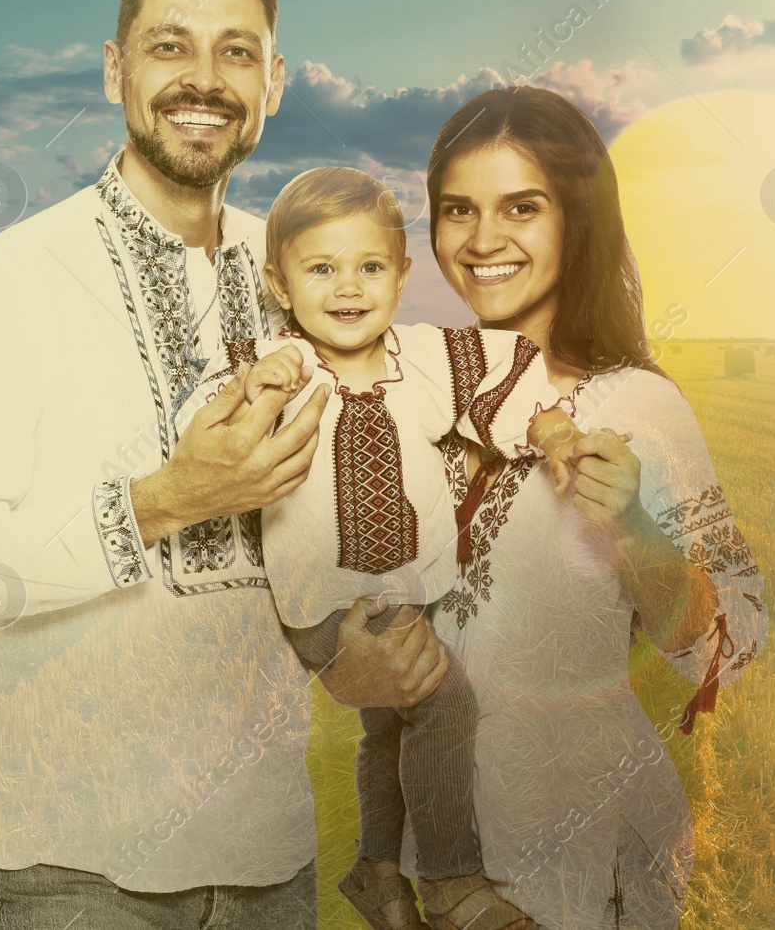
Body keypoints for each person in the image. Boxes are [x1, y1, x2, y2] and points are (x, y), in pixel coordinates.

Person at [0, 0, 448, 930]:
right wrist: (162, 500)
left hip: (271, 864)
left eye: (237, 51)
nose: (204, 78)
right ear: (115, 70)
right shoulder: (13, 280)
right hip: (74, 870)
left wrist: (340, 657)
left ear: (274, 81)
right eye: (168, 44)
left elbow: (287, 554)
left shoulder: (300, 276)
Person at [173, 166, 587, 930]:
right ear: (279, 282)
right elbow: (203, 426)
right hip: (328, 600)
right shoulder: (281, 365)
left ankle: (377, 868)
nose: (348, 287)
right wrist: (256, 382)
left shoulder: (427, 357)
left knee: (391, 724)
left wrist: (553, 429)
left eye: (369, 266)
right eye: (321, 268)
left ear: (401, 274)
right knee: (444, 698)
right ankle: (455, 881)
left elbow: (512, 379)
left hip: (410, 587)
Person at [412, 85, 768, 929]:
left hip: (584, 866)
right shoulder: (424, 405)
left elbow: (738, 637)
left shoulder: (638, 408)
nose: (483, 239)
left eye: (521, 208)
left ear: (578, 220)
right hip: (449, 876)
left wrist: (635, 531)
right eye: (457, 209)